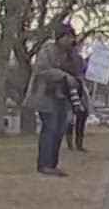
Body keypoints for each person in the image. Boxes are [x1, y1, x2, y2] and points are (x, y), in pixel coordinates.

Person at [26, 24, 79, 177]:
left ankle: (53, 164)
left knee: (60, 130)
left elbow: (77, 70)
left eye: (72, 37)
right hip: (45, 95)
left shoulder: (70, 54)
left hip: (61, 96)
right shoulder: (47, 50)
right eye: (68, 37)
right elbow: (41, 70)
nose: (70, 40)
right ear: (60, 37)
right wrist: (63, 75)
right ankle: (44, 164)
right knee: (50, 127)